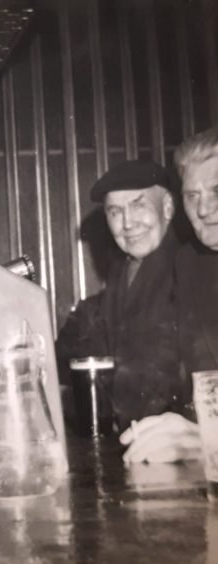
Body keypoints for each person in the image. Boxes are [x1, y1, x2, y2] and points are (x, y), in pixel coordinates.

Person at [56, 160, 186, 435]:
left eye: (139, 205)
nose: (128, 223)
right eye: (115, 212)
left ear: (168, 208)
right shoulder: (121, 277)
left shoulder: (191, 270)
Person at [120, 129, 218, 464]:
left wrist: (207, 441)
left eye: (217, 190)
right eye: (192, 196)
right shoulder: (191, 264)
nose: (204, 208)